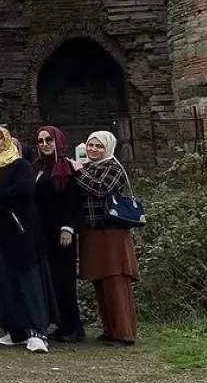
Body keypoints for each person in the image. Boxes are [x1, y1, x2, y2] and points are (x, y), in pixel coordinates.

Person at [0, 125, 54, 354]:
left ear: (7, 141)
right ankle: (16, 330)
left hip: (20, 233)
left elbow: (25, 190)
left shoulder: (19, 165)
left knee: (27, 283)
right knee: (5, 285)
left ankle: (37, 331)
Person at [72, 130, 141, 346]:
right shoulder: (92, 167)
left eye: (98, 146)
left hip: (112, 234)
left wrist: (78, 172)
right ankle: (110, 329)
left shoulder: (113, 168)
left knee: (115, 282)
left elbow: (100, 188)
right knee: (100, 282)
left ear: (108, 148)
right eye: (90, 145)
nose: (93, 150)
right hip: (95, 233)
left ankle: (124, 332)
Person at [33, 125, 85, 342]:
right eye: (41, 141)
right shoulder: (37, 168)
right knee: (51, 280)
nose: (45, 144)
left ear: (58, 141)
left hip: (62, 233)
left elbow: (73, 201)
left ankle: (74, 327)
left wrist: (68, 227)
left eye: (49, 140)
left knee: (65, 281)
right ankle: (61, 324)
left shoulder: (66, 167)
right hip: (42, 231)